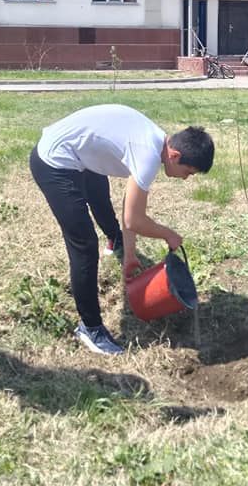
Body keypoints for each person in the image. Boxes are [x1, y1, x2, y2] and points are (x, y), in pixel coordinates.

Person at [30, 104, 214, 355]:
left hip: (82, 158)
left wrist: (130, 255)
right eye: (187, 173)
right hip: (53, 162)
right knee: (84, 246)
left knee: (100, 197)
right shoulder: (147, 153)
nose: (185, 179)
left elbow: (130, 205)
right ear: (174, 155)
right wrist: (168, 234)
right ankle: (90, 328)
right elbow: (134, 220)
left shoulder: (154, 139)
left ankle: (113, 242)